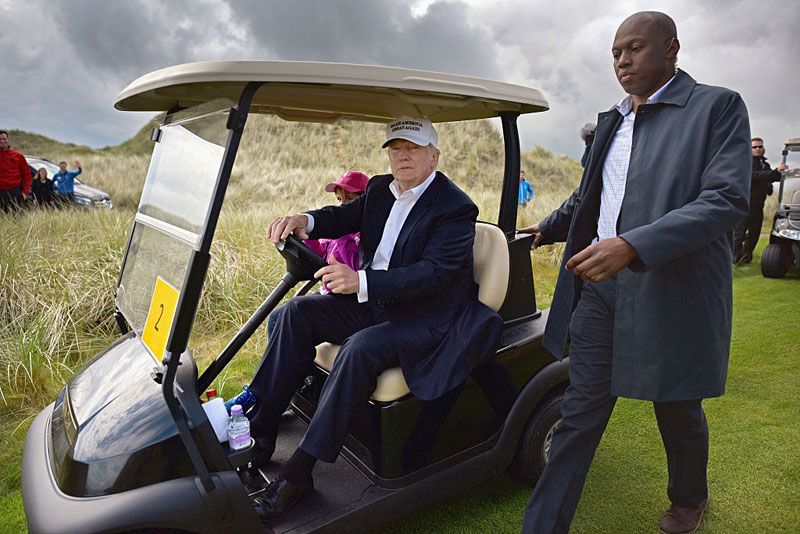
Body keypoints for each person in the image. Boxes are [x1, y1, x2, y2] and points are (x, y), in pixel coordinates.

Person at [519, 11, 750, 534]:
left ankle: (689, 500)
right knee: (579, 413)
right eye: (616, 52)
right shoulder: (612, 121)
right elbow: (592, 197)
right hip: (602, 293)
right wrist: (548, 228)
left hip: (671, 289)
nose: (622, 60)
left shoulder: (717, 106)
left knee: (676, 406)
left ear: (672, 48)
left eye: (635, 48)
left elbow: (726, 199)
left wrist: (632, 245)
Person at [248, 116, 503, 519]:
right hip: (376, 304)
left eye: (414, 149)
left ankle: (299, 475)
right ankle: (260, 434)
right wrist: (305, 220)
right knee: (293, 313)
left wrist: (361, 280)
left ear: (434, 156)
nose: (403, 156)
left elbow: (433, 274)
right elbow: (341, 217)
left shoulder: (455, 208)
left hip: (427, 318)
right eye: (396, 148)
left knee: (359, 349)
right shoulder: (381, 189)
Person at [224, 169, 370, 414]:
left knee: (296, 312)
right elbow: (317, 248)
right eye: (340, 200)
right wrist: (300, 237)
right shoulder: (335, 232)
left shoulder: (361, 236)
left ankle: (260, 398)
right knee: (277, 316)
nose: (344, 205)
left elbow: (358, 270)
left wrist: (341, 242)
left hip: (355, 301)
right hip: (331, 297)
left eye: (351, 200)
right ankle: (287, 391)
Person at [732, 138, 788, 264]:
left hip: (758, 204)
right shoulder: (745, 162)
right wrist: (774, 172)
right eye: (754, 147)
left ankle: (747, 255)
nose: (757, 149)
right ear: (750, 149)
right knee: (739, 233)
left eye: (760, 146)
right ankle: (734, 257)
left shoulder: (765, 164)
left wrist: (785, 173)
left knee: (754, 232)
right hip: (745, 203)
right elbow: (754, 175)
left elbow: (771, 176)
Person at [0, 130, 31, 212]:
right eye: (0, 139)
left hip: (15, 192)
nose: (2, 141)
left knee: (16, 220)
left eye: (4, 138)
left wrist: (25, 193)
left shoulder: (18, 156)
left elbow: (27, 175)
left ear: (8, 139)